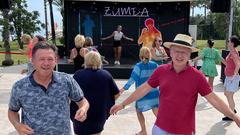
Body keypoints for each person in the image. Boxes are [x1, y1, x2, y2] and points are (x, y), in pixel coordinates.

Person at [110, 34, 240, 135]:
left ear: (189, 54)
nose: (179, 55)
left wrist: (234, 116)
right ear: (170, 52)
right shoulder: (161, 71)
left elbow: (214, 99)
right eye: (176, 51)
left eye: (184, 52)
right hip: (160, 129)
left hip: (185, 130)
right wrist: (122, 104)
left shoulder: (197, 76)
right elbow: (143, 89)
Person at [8, 42, 89, 135]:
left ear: (56, 60)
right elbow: (12, 111)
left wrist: (83, 109)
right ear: (33, 61)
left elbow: (83, 101)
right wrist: (17, 125)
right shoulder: (20, 87)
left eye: (50, 59)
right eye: (41, 59)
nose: (46, 63)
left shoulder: (66, 80)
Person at [71, 51, 120, 135]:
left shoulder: (78, 74)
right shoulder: (106, 75)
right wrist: (105, 101)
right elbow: (116, 94)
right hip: (99, 113)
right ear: (99, 61)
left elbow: (70, 94)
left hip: (80, 111)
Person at [120, 47, 159, 135]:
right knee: (156, 110)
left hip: (142, 93)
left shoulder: (138, 66)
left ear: (140, 55)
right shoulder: (155, 65)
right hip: (154, 93)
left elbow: (132, 79)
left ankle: (143, 131)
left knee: (138, 111)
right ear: (149, 55)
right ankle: (165, 129)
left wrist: (124, 88)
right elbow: (161, 77)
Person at [222, 35, 240, 121]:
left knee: (229, 96)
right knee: (226, 93)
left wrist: (234, 75)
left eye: (229, 41)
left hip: (232, 78)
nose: (228, 42)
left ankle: (231, 115)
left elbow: (238, 64)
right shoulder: (231, 51)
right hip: (228, 77)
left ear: (232, 43)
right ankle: (233, 109)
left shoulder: (233, 53)